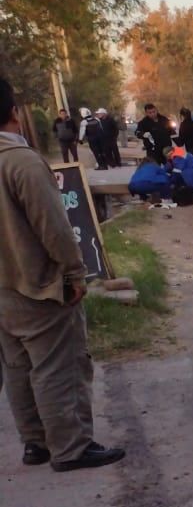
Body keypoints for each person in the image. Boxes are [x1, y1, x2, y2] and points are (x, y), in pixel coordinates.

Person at [0, 78, 126, 472]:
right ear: (14, 113)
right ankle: (70, 448)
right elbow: (54, 226)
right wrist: (74, 273)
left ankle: (35, 444)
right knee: (58, 366)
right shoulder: (21, 162)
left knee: (19, 368)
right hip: (37, 286)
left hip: (3, 292)